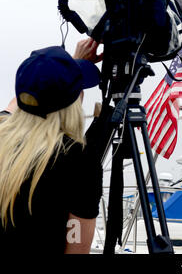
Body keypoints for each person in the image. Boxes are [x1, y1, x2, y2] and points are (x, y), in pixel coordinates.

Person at [0, 38, 105, 254]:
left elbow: (22, 102)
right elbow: (76, 249)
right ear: (72, 101)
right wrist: (68, 68)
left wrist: (67, 66)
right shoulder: (79, 158)